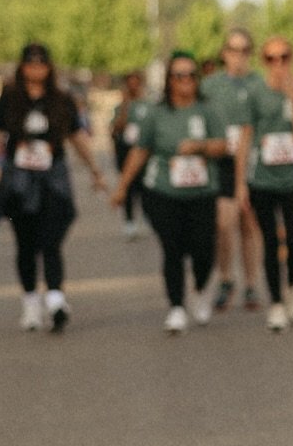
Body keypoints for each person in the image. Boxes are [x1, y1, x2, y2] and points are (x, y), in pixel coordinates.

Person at [0, 43, 105, 332]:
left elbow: (78, 138)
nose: (36, 69)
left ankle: (56, 298)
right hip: (18, 180)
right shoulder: (9, 100)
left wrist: (96, 170)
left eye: (41, 64)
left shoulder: (62, 100)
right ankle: (31, 302)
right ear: (22, 67)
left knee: (51, 237)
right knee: (25, 243)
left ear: (49, 67)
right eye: (30, 64)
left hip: (52, 178)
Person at [112, 51, 229, 332]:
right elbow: (141, 150)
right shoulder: (157, 113)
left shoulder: (208, 110)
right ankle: (176, 306)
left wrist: (199, 147)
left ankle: (201, 289)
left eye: (191, 75)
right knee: (172, 249)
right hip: (163, 191)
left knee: (203, 249)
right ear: (169, 80)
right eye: (179, 75)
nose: (186, 80)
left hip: (201, 192)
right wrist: (122, 187)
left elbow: (223, 146)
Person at [236, 38, 293, 331]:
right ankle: (277, 303)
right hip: (262, 180)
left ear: (292, 58)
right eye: (271, 58)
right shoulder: (255, 93)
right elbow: (245, 137)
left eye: (284, 57)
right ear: (263, 60)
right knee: (269, 242)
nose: (278, 64)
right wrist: (241, 183)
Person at [201, 29, 263, 312]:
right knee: (223, 224)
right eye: (233, 50)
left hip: (252, 160)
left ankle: (251, 283)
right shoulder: (210, 86)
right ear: (224, 52)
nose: (238, 56)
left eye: (244, 50)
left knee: (249, 224)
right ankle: (226, 278)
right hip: (222, 161)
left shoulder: (258, 84)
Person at [110, 69, 151, 239]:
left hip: (143, 150)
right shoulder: (121, 106)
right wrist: (126, 104)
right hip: (125, 150)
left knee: (145, 188)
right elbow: (116, 127)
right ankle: (129, 221)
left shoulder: (148, 105)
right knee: (128, 186)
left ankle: (148, 218)